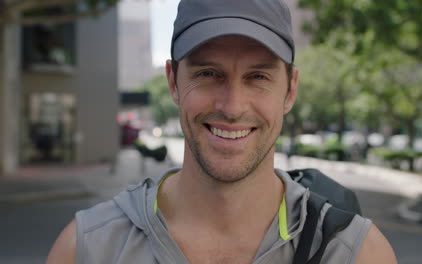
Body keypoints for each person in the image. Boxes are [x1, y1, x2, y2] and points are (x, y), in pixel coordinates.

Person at [47, 0, 397, 263]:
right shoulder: (87, 249)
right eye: (208, 74)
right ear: (173, 81)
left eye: (258, 77)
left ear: (290, 90)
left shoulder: (355, 253)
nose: (232, 107)